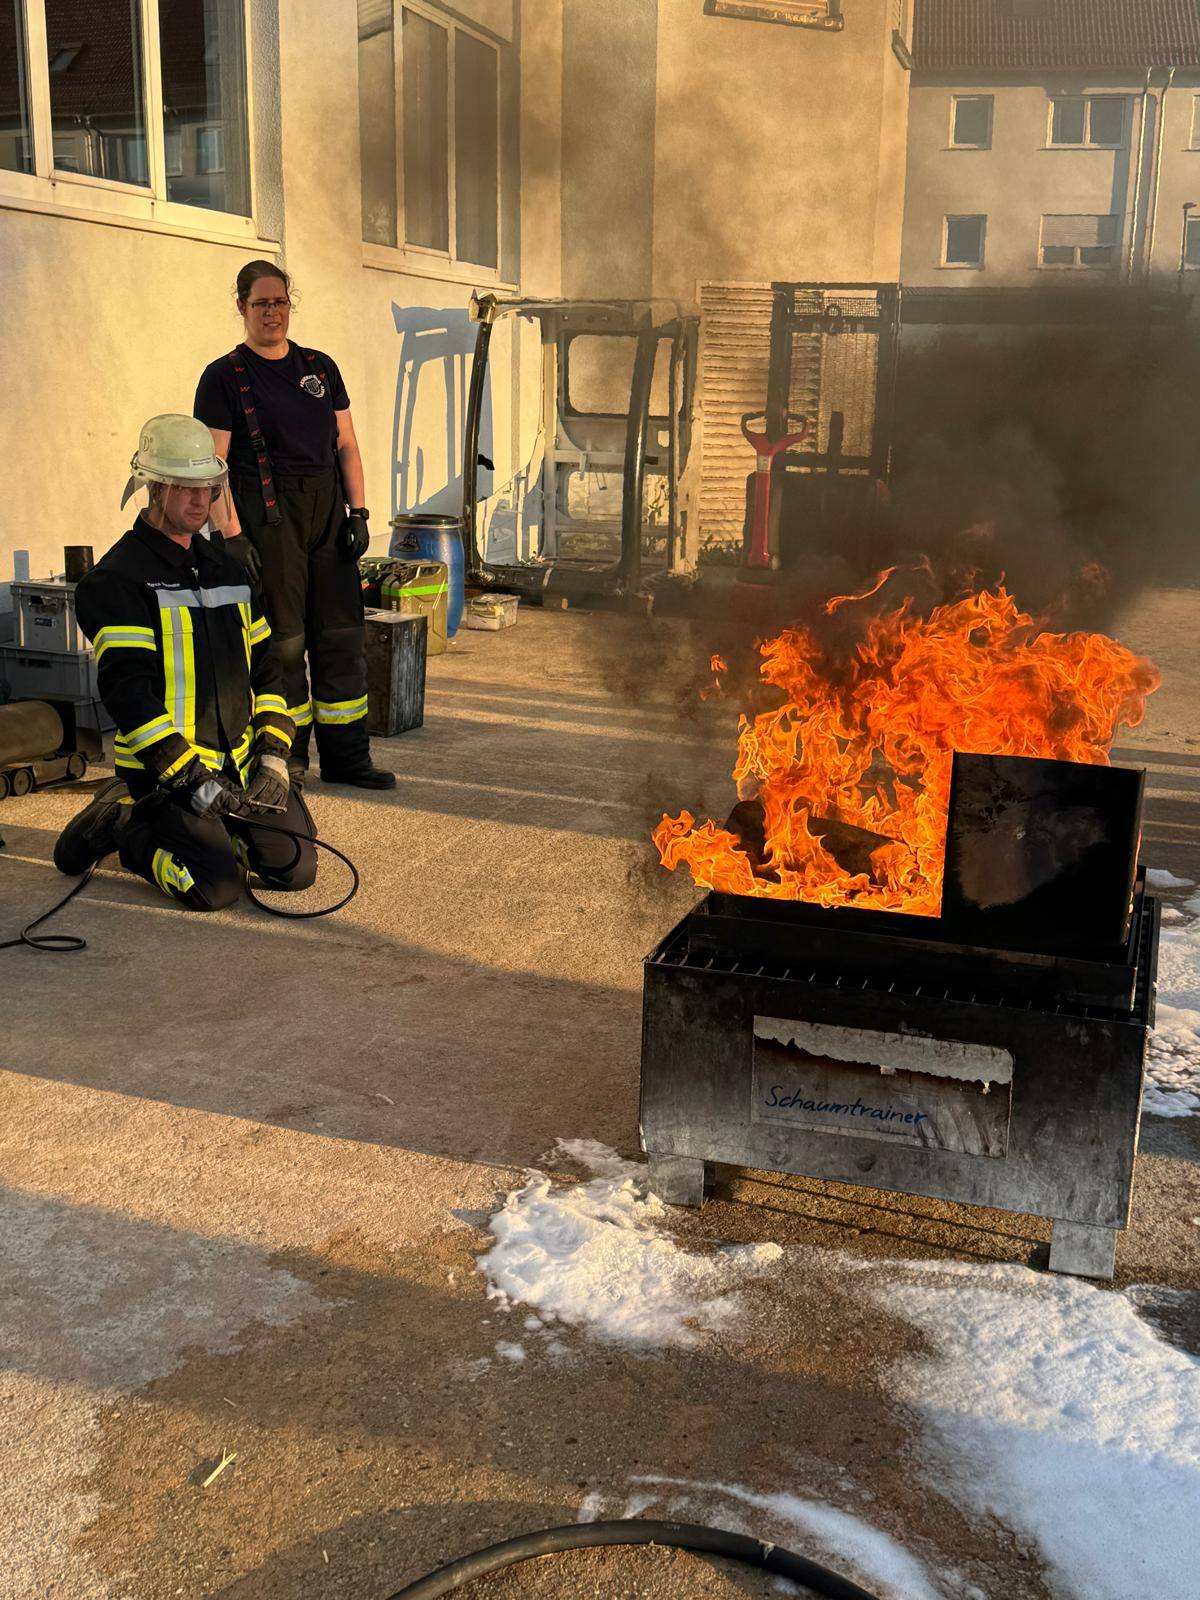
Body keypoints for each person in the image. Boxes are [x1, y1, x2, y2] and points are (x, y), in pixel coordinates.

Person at [52, 415, 318, 911]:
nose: (202, 502)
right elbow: (130, 696)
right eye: (186, 489)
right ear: (152, 488)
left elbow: (270, 671)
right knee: (214, 889)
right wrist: (190, 778)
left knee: (295, 870)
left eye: (210, 489)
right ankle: (124, 826)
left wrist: (274, 757)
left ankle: (224, 833)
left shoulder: (229, 570)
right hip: (166, 775)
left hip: (236, 769)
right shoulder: (117, 582)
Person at [193, 259, 394, 789]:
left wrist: (360, 512)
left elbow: (346, 443)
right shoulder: (222, 377)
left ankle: (349, 759)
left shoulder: (320, 368)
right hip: (266, 520)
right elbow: (213, 465)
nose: (272, 313)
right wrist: (231, 537)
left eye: (280, 302)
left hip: (328, 516)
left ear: (290, 305)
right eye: (260, 303)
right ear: (241, 307)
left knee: (341, 638)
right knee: (283, 645)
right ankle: (289, 760)